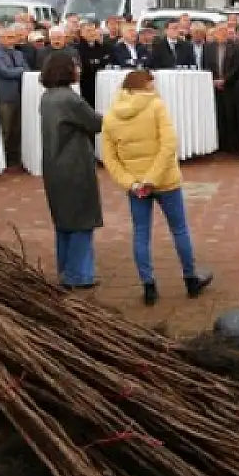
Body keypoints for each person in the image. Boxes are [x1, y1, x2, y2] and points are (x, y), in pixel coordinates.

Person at [100, 69, 213, 305]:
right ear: (147, 85)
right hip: (165, 181)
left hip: (136, 186)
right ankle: (191, 279)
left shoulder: (110, 116)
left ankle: (148, 286)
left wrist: (132, 183)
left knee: (141, 234)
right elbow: (169, 143)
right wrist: (152, 177)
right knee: (179, 229)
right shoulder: (156, 106)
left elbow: (109, 159)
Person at [38, 52, 103, 288]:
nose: (79, 69)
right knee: (81, 221)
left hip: (54, 166)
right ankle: (79, 275)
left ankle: (66, 270)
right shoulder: (70, 99)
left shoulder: (48, 96)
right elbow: (95, 123)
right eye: (75, 65)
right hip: (74, 166)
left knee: (64, 222)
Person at [0, 27, 30, 166]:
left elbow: (27, 69)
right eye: (10, 37)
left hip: (20, 95)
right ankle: (2, 160)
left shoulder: (18, 53)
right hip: (4, 96)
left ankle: (15, 158)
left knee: (17, 129)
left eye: (14, 36)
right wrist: (20, 70)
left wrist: (18, 70)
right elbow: (5, 72)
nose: (13, 40)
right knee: (5, 128)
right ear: (1, 38)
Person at [201, 25, 239, 155]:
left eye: (224, 31)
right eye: (219, 31)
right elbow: (205, 65)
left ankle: (231, 146)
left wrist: (225, 80)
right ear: (215, 33)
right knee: (217, 115)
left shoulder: (235, 48)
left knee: (230, 115)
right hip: (213, 86)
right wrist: (213, 80)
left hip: (230, 86)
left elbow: (237, 67)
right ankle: (218, 144)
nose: (222, 34)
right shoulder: (208, 47)